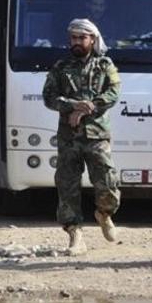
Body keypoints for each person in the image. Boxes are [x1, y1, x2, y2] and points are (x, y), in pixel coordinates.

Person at [41, 18, 122, 255]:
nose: (76, 42)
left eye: (81, 38)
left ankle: (104, 214)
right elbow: (49, 97)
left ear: (92, 39)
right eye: (73, 37)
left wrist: (89, 107)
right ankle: (75, 235)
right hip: (69, 137)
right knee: (67, 186)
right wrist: (73, 106)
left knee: (107, 182)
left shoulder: (105, 65)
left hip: (97, 135)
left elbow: (114, 93)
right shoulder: (60, 67)